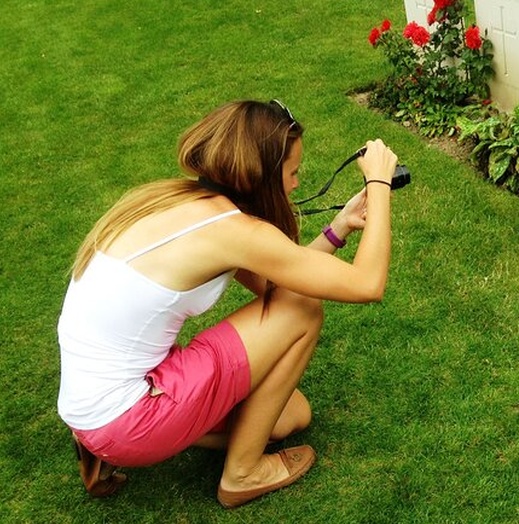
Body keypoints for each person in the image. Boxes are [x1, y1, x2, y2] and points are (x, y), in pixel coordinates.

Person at [57, 99, 398, 508]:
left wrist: (338, 227)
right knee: (304, 311)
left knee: (291, 417)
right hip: (130, 414)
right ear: (266, 175)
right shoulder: (233, 231)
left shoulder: (180, 201)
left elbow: (276, 282)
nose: (296, 184)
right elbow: (367, 283)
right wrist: (379, 186)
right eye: (292, 173)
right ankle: (242, 475)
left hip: (90, 408)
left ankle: (106, 446)